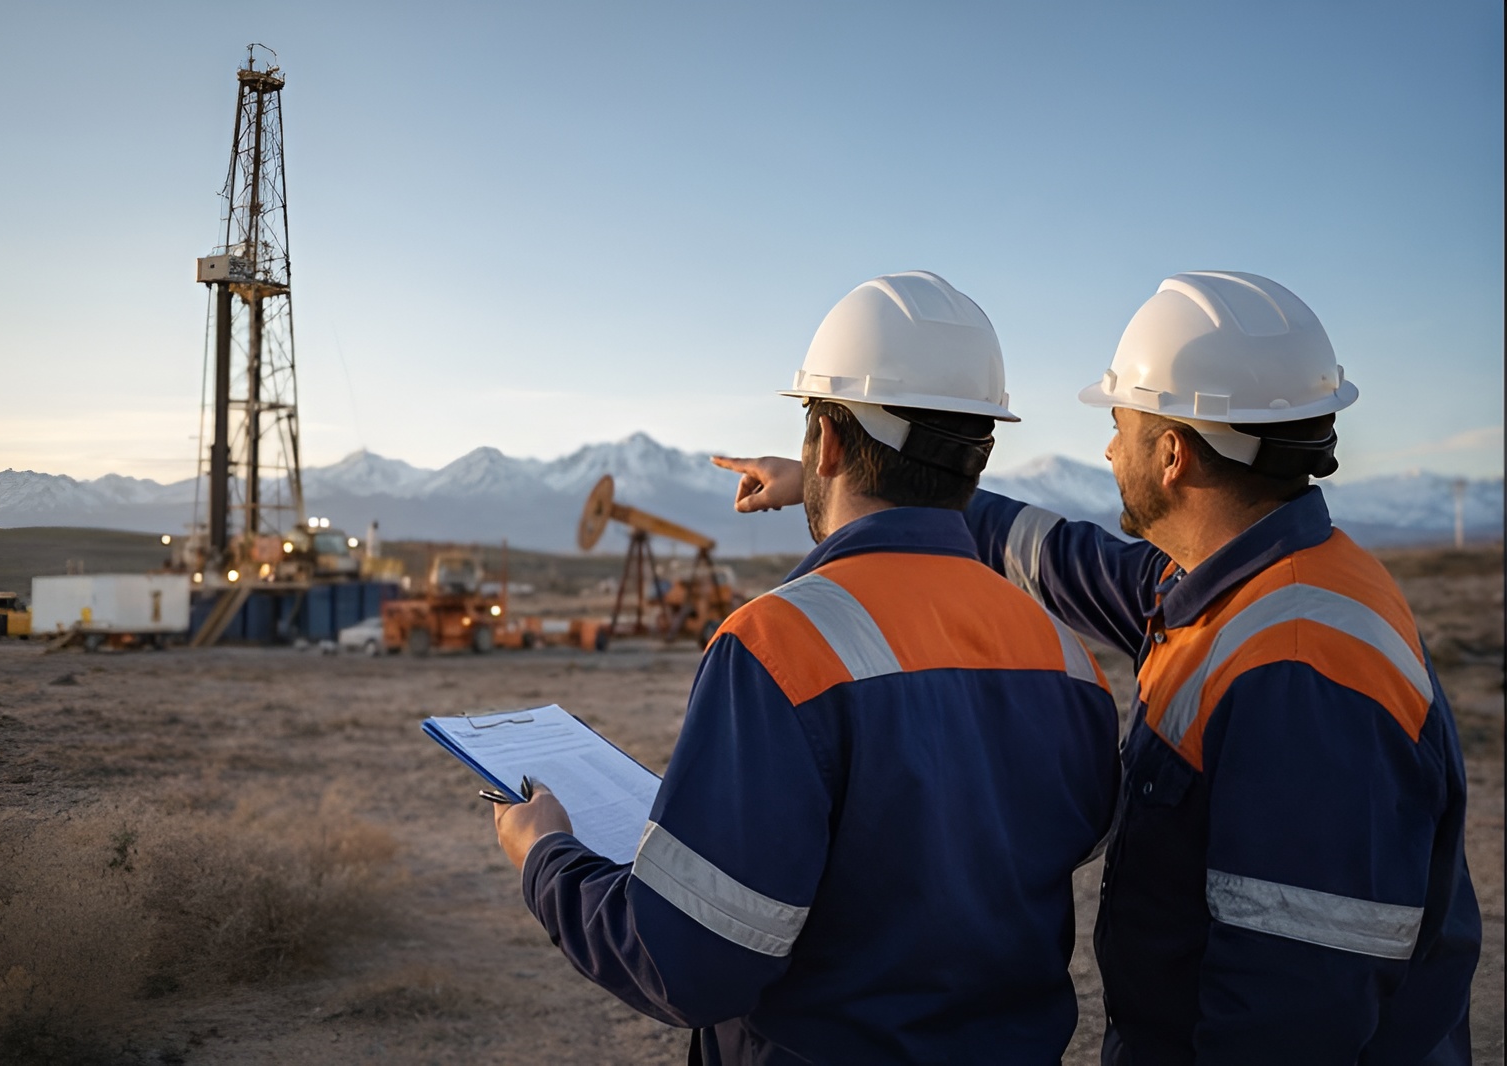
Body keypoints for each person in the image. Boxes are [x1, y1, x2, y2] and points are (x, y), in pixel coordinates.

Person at [716, 271, 1482, 1064]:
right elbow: (1052, 555)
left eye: (1122, 423)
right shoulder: (1229, 588)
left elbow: (1292, 1011)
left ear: (1174, 453)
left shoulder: (1301, 674)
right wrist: (844, 478)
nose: (1110, 446)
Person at [493, 271, 1121, 1064]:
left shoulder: (777, 646)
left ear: (825, 441)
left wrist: (547, 858)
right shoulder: (1066, 660)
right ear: (980, 454)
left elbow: (684, 964)